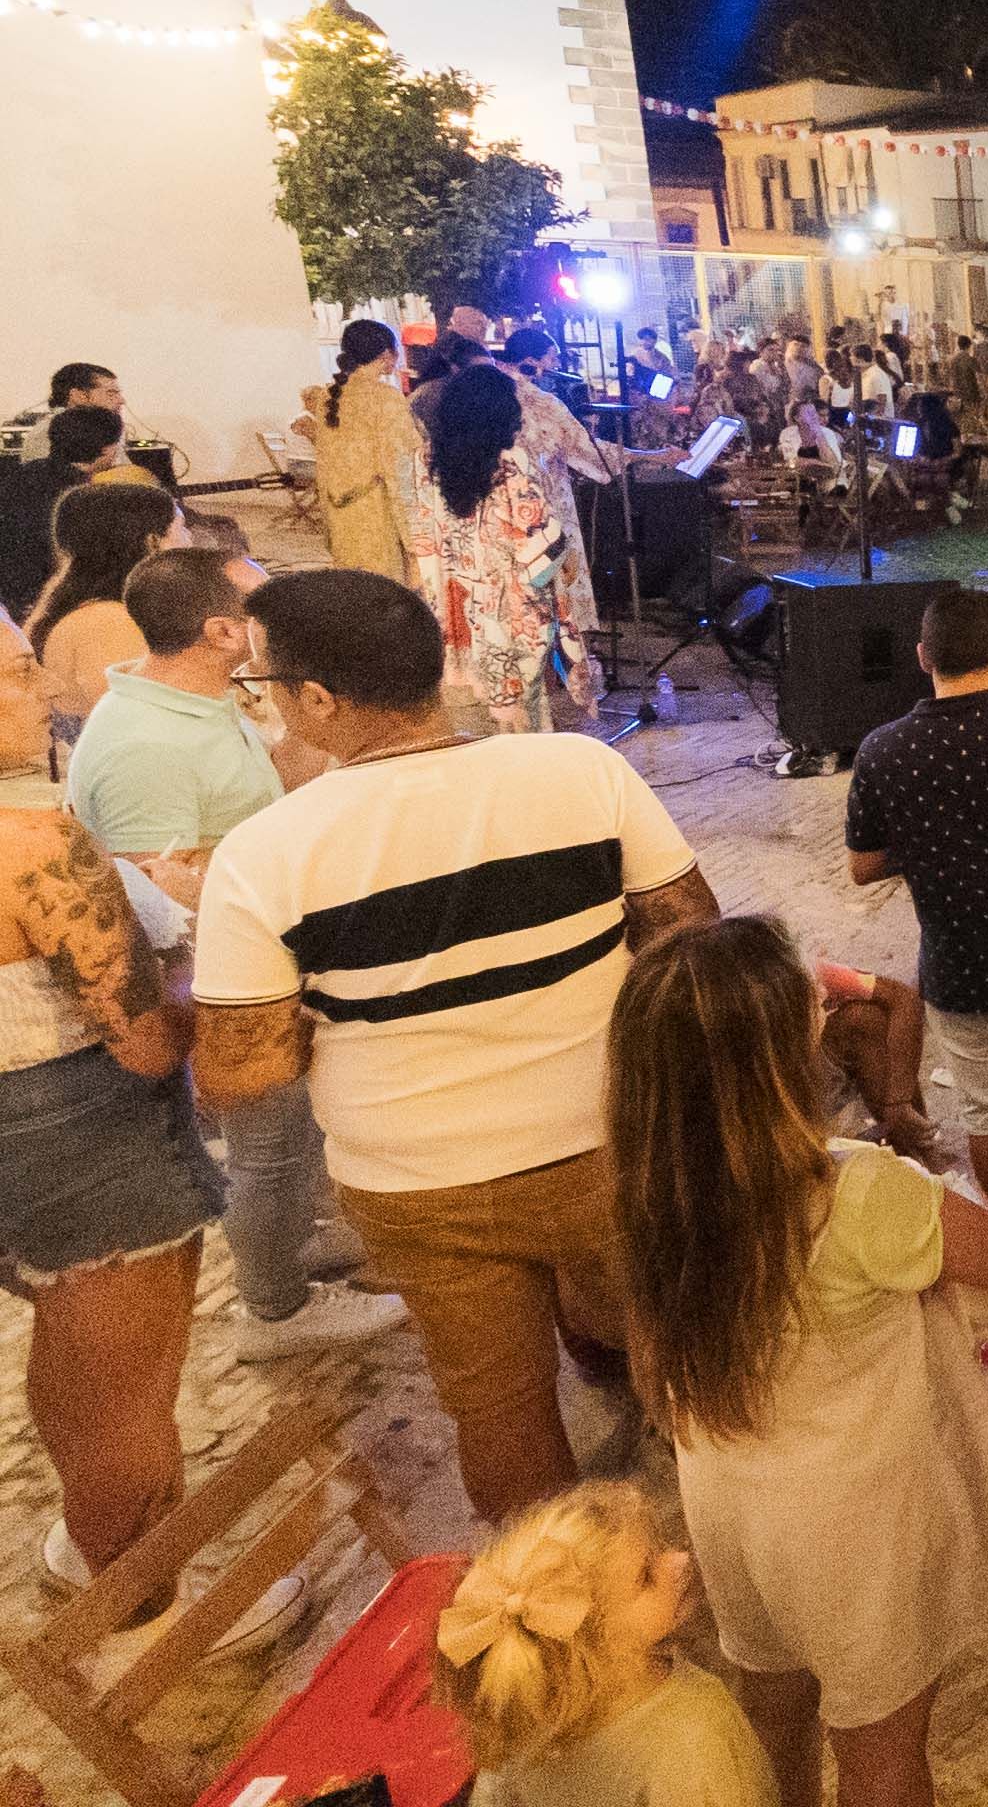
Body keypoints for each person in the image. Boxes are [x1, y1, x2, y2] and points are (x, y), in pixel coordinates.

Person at [190, 570, 719, 1521]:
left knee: (500, 1406)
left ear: (318, 699)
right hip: (607, 1137)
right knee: (683, 1348)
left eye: (260, 683)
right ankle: (733, 1541)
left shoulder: (265, 854)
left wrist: (342, 1017)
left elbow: (240, 1071)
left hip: (420, 1184)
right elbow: (688, 934)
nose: (261, 703)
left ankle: (552, 1596)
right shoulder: (582, 771)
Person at [608, 918, 988, 1807]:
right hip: (856, 1515)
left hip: (732, 1499)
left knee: (772, 1702)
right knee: (882, 1743)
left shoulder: (651, 1195)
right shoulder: (858, 1192)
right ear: (780, 1063)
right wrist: (972, 1165)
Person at [6, 612, 311, 1659]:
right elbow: (142, 1041)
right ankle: (147, 1614)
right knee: (128, 1397)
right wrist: (221, 973)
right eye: (16, 675)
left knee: (73, 1354)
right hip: (79, 1134)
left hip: (26, 1147)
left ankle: (90, 1545)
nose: (44, 692)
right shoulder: (35, 845)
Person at [68, 547, 403, 1362]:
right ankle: (274, 1310)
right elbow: (153, 900)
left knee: (295, 1132)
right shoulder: (146, 744)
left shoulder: (200, 699)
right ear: (223, 632)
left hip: (265, 947)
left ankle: (305, 1241)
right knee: (268, 1147)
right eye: (264, 601)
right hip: (223, 975)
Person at [845, 588, 988, 1259]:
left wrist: (929, 843)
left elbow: (862, 865)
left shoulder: (882, 749)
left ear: (923, 657)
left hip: (961, 960)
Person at [431, 1480, 774, 1807]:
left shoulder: (520, 1719)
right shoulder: (695, 1735)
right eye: (646, 1577)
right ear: (596, 1648)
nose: (678, 1559)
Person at [406, 365, 587, 733]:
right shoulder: (508, 462)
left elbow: (424, 526)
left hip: (457, 590)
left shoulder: (425, 460)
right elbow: (540, 535)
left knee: (476, 698)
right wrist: (567, 559)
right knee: (524, 702)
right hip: (511, 600)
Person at [32, 482, 185, 725]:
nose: (190, 540)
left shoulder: (94, 608)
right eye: (181, 528)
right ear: (152, 542)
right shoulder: (108, 621)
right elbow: (133, 721)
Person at [300, 318, 424, 581]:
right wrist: (415, 534)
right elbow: (401, 465)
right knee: (386, 589)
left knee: (355, 587)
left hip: (340, 510)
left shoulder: (328, 396)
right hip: (377, 513)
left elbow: (325, 458)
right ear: (386, 354)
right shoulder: (385, 398)